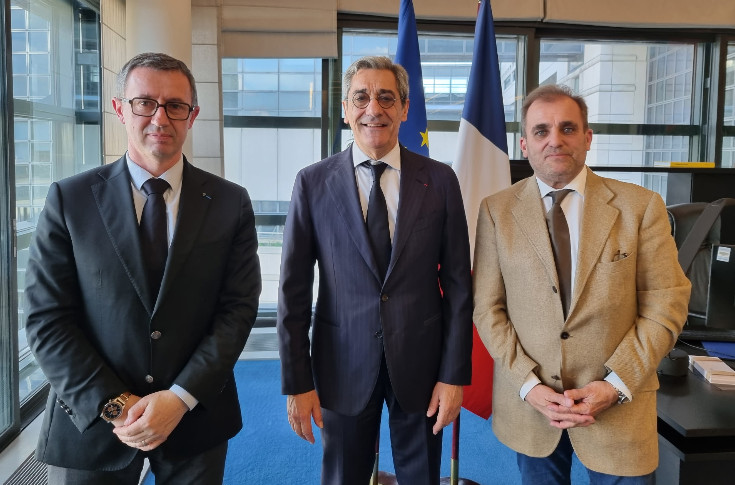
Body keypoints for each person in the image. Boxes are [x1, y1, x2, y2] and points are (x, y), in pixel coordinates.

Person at [24, 52, 261, 484]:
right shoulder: (69, 200)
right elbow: (47, 319)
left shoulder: (231, 203)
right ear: (119, 109)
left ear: (192, 115)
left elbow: (237, 310)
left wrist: (179, 398)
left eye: (175, 105)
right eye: (144, 103)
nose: (160, 117)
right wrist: (116, 405)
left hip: (195, 415)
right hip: (91, 420)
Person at [472, 84, 691, 484]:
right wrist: (528, 385)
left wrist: (615, 385)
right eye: (541, 131)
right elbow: (488, 309)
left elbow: (666, 303)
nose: (555, 140)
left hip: (619, 409)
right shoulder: (496, 212)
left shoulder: (640, 207)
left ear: (587, 138)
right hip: (533, 408)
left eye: (568, 128)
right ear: (524, 144)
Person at [277, 55, 473, 485]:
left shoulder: (440, 180)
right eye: (361, 97)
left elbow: (459, 286)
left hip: (422, 364)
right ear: (345, 110)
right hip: (340, 361)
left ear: (404, 108)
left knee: (421, 477)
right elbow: (293, 292)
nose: (374, 109)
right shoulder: (312, 183)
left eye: (386, 98)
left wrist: (453, 375)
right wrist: (297, 381)